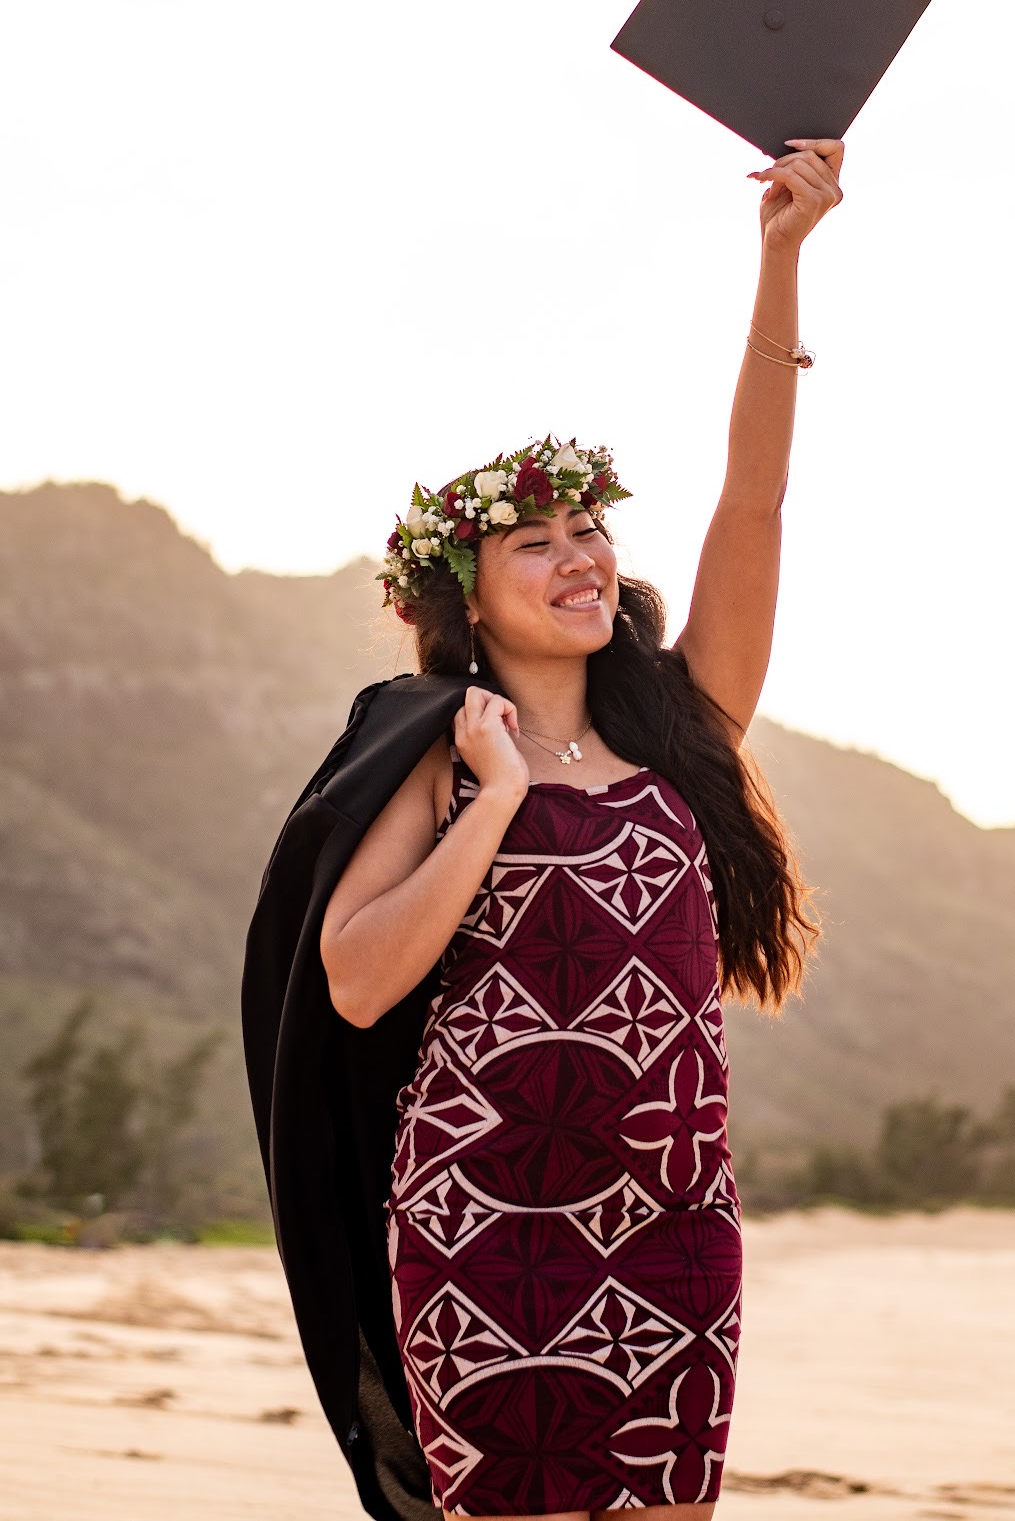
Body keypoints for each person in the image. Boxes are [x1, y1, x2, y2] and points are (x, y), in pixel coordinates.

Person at [318, 136, 845, 1521]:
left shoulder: (685, 727)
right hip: (485, 1220)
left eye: (589, 533)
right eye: (535, 544)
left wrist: (780, 260)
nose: (581, 558)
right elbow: (359, 978)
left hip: (671, 1216)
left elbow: (753, 497)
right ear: (468, 597)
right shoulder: (426, 751)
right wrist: (492, 801)